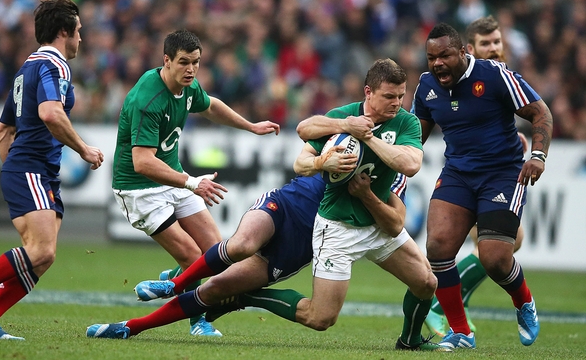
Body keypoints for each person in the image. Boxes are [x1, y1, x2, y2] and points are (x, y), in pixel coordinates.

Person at [86, 60, 448, 351]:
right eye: (390, 96)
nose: (398, 103)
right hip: (306, 211)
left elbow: (408, 174)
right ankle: (152, 306)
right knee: (240, 246)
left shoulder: (405, 128)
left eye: (402, 96)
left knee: (419, 285)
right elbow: (303, 148)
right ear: (369, 93)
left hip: (323, 235)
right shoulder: (342, 119)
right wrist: (326, 159)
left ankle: (409, 341)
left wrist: (365, 144)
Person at [0, 0, 104, 341]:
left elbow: (3, 129)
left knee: (43, 258)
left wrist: (13, 173)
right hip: (32, 168)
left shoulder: (26, 68)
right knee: (42, 251)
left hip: (30, 171)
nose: (82, 39)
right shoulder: (54, 65)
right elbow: (50, 113)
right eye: (79, 31)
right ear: (64, 32)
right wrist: (84, 149)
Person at [109, 28, 280, 337]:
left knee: (217, 253)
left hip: (174, 179)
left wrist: (250, 126)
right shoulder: (148, 100)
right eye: (184, 62)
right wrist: (191, 182)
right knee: (193, 256)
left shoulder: (187, 86)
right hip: (138, 188)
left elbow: (210, 105)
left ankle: (174, 276)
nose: (191, 69)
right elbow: (142, 162)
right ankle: (197, 321)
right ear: (167, 61)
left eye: (196, 62)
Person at [412, 22, 552, 349]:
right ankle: (461, 332)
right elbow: (415, 138)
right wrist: (395, 167)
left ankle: (524, 302)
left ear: (463, 51)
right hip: (459, 172)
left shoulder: (494, 76)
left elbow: (541, 112)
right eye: (431, 57)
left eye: (445, 55)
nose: (437, 64)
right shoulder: (427, 86)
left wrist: (538, 155)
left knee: (495, 259)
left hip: (503, 172)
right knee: (439, 247)